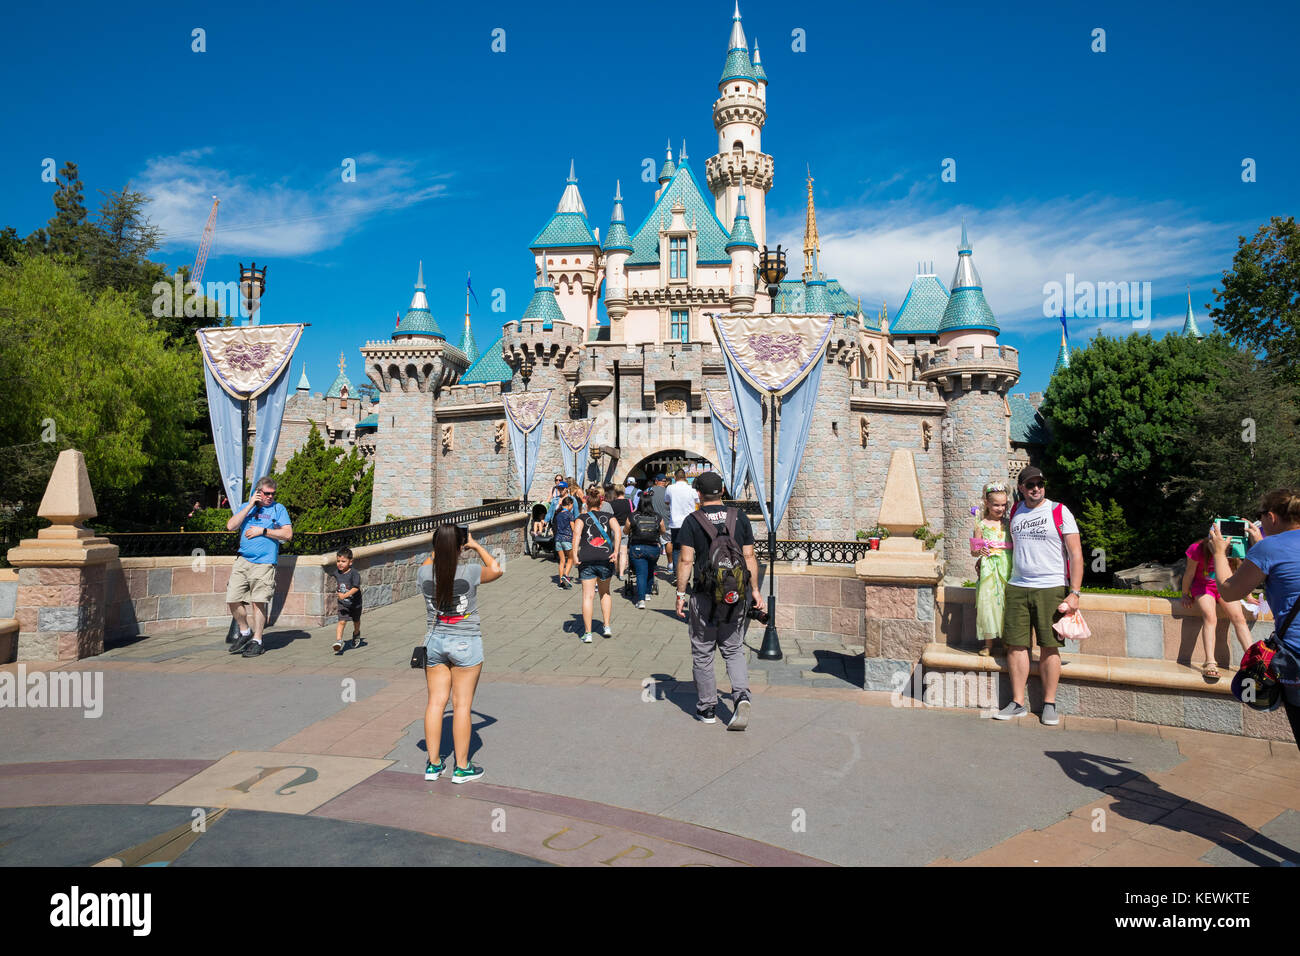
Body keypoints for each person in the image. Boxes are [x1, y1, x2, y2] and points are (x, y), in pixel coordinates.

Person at [1210, 489, 1300, 748]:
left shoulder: (1269, 548)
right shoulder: (1267, 547)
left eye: (1261, 516)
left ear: (1271, 517)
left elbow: (1229, 591)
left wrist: (1218, 552)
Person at [993, 466, 1082, 725]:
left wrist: (1074, 592)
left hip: (1051, 586)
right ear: (1020, 488)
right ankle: (1018, 702)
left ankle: (1049, 703)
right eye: (1030, 484)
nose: (1036, 488)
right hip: (1018, 586)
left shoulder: (1059, 511)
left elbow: (1075, 553)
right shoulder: (1015, 512)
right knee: (1016, 645)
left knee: (1049, 646)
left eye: (1039, 484)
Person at [675, 471, 764, 729]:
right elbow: (749, 557)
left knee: (703, 651)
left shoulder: (693, 521)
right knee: (733, 648)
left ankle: (708, 708)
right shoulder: (740, 518)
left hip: (704, 595)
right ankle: (741, 697)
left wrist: (681, 594)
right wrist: (754, 590)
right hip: (735, 595)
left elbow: (686, 560)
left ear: (699, 494)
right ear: (722, 491)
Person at [419, 525, 502, 783]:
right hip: (465, 642)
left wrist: (439, 548)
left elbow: (431, 559)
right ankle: (462, 767)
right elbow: (498, 569)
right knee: (462, 706)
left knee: (435, 702)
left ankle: (433, 765)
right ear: (459, 546)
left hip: (434, 643)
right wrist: (475, 545)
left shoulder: (423, 573)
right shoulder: (470, 571)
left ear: (435, 547)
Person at [226, 476, 293, 658]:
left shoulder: (278, 509)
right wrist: (249, 506)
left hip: (264, 563)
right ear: (258, 492)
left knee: (258, 601)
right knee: (232, 598)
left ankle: (257, 641)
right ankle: (245, 631)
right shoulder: (246, 508)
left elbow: (288, 534)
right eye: (266, 493)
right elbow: (231, 526)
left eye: (273, 494)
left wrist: (263, 531)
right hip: (243, 561)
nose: (270, 497)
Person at [1181, 531, 1251, 680]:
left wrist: (1248, 595)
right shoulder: (1197, 548)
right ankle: (1210, 661)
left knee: (1239, 617)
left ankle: (1253, 661)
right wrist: (1185, 594)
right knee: (1210, 616)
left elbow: (1241, 571)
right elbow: (1189, 573)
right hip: (1203, 586)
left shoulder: (1235, 547)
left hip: (1226, 586)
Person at [573, 488, 621, 643]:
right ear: (601, 503)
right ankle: (606, 626)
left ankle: (588, 633)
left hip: (586, 558)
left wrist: (575, 555)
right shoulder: (609, 516)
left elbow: (577, 535)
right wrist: (616, 551)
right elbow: (618, 532)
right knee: (605, 593)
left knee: (588, 596)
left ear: (586, 503)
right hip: (605, 557)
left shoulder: (581, 518)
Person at [971, 482, 1013, 657]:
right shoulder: (980, 524)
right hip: (989, 568)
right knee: (987, 604)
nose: (1000, 508)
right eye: (996, 505)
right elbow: (973, 550)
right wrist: (980, 551)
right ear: (987, 503)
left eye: (1003, 505)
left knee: (1006, 604)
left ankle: (1006, 642)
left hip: (1006, 566)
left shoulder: (1009, 524)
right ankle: (988, 644)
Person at [627, 494, 666, 609]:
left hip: (637, 548)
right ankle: (648, 593)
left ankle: (641, 600)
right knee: (650, 569)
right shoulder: (657, 516)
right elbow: (663, 531)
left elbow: (625, 531)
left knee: (640, 573)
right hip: (653, 548)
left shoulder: (633, 516)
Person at [666, 468, 699, 573]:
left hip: (675, 523)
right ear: (685, 477)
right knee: (689, 548)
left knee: (676, 549)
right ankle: (687, 573)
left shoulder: (670, 488)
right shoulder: (692, 490)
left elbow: (666, 501)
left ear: (675, 477)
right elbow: (698, 501)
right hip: (689, 522)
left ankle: (677, 573)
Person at [332, 547, 363, 653]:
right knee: (342, 621)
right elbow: (336, 584)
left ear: (350, 562)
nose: (340, 563)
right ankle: (339, 641)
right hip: (343, 604)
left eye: (343, 561)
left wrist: (345, 595)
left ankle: (356, 633)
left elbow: (356, 587)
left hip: (355, 603)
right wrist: (338, 593)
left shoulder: (354, 574)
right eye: (338, 561)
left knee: (356, 621)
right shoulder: (337, 573)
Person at [608, 483, 632, 582]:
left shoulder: (611, 504)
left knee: (615, 550)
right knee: (623, 551)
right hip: (625, 528)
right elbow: (632, 514)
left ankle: (616, 570)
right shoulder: (629, 502)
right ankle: (621, 573)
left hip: (614, 528)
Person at [554, 495, 576, 588]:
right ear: (569, 504)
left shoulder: (558, 514)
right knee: (571, 559)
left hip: (558, 539)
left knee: (562, 561)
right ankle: (565, 576)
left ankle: (561, 582)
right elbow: (573, 528)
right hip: (567, 539)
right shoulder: (570, 515)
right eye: (572, 505)